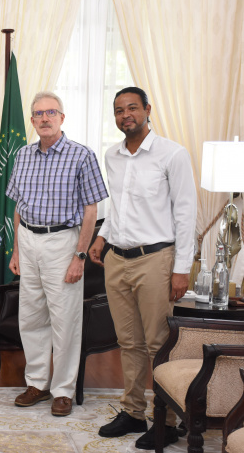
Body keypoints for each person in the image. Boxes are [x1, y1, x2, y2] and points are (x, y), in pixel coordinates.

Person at [89, 87, 196, 449]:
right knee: (128, 342)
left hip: (156, 260)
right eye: (119, 110)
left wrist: (182, 269)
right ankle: (133, 412)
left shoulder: (173, 154)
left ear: (148, 110)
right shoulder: (112, 155)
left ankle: (165, 420)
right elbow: (118, 210)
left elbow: (185, 213)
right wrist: (102, 237)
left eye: (132, 108)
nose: (125, 115)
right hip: (117, 260)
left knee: (158, 344)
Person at [6, 91, 108, 417]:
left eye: (51, 112)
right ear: (33, 120)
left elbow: (91, 211)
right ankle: (37, 383)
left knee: (64, 319)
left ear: (62, 118)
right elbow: (18, 208)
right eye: (38, 113)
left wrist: (79, 256)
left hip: (62, 242)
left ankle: (62, 390)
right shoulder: (22, 155)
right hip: (28, 239)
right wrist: (16, 251)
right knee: (31, 317)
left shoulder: (82, 155)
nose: (44, 118)